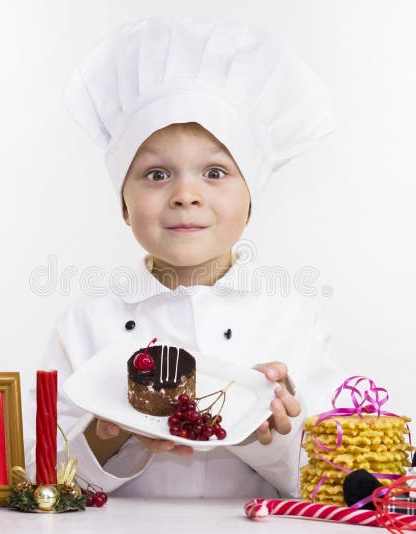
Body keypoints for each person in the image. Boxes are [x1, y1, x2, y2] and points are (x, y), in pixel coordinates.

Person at [24, 15, 342, 498]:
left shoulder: (293, 320)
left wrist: (272, 436)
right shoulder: (85, 325)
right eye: (156, 174)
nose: (185, 194)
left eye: (215, 172)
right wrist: (108, 434)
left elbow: (327, 479)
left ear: (251, 199)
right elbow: (44, 475)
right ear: (123, 204)